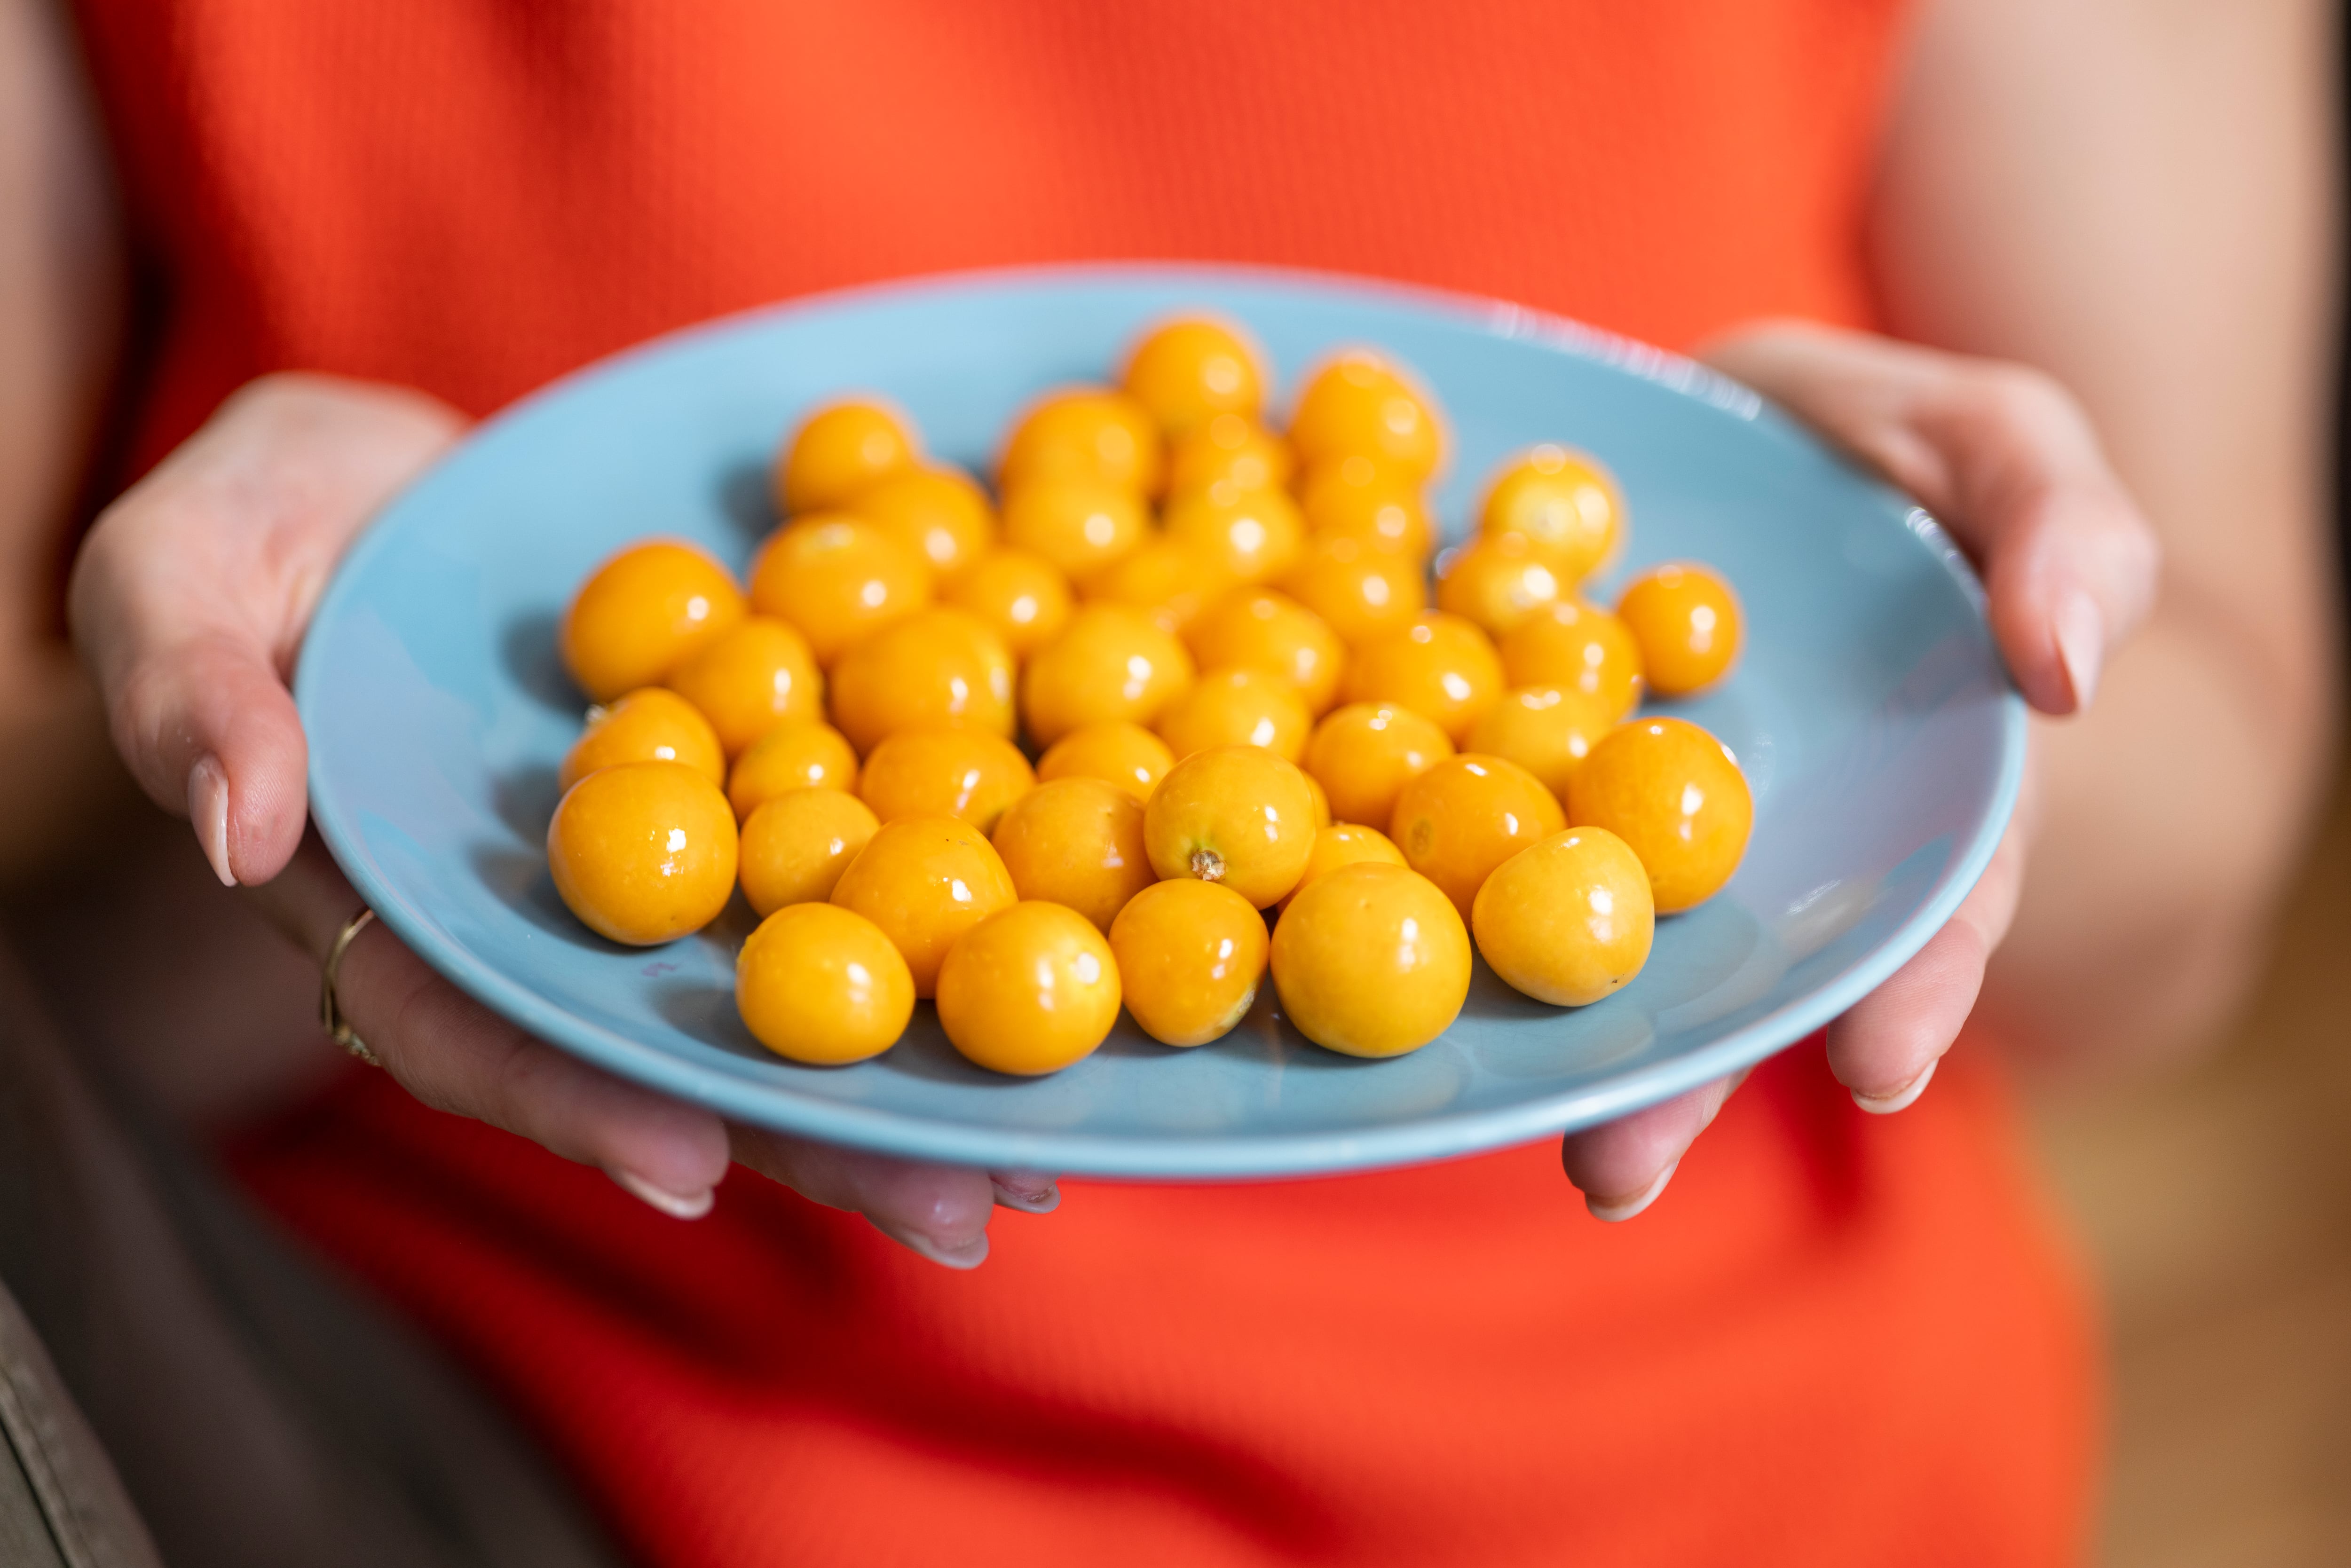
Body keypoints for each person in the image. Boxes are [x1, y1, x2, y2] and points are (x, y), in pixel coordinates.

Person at [0, 0, 2335, 1562]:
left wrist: (1916, 688)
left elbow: (2201, 863)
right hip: (478, 1453)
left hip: (1704, 1490)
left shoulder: (1509, 660)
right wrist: (317, 731)